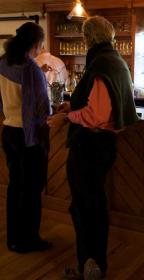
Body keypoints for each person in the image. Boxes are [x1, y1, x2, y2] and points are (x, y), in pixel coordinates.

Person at [47, 16, 139, 280]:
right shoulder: (116, 61)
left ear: (88, 38)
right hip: (104, 146)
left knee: (84, 208)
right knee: (94, 206)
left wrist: (66, 117)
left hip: (89, 146)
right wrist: (71, 107)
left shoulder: (100, 63)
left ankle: (88, 266)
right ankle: (93, 264)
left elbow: (96, 115)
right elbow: (99, 106)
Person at [0, 22, 52, 253]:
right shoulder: (30, 68)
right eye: (40, 45)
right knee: (32, 189)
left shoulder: (2, 62)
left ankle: (13, 238)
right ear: (34, 44)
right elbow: (42, 107)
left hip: (9, 131)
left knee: (15, 187)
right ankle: (29, 239)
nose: (40, 49)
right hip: (29, 137)